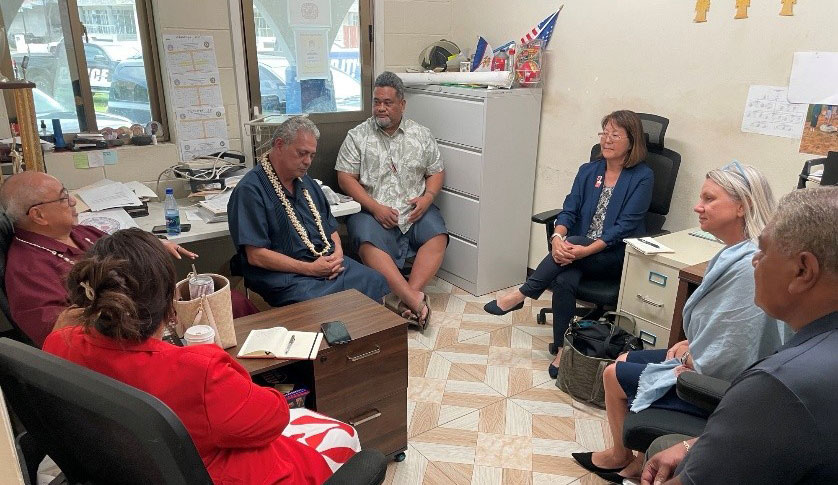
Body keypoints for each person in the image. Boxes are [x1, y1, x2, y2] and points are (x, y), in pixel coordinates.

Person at [44, 228, 361, 484]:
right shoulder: (198, 371)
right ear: (171, 303)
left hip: (126, 469)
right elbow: (273, 418)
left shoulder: (59, 344)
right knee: (342, 434)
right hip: (217, 473)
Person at [572, 162, 785, 482]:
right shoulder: (735, 251)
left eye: (709, 199)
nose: (698, 206)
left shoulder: (749, 267)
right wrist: (688, 344)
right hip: (707, 358)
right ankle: (636, 459)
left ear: (743, 206)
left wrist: (688, 355)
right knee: (626, 357)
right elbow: (723, 331)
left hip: (727, 384)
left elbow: (735, 352)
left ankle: (622, 456)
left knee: (615, 373)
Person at [641, 186, 838, 485]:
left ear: (802, 270)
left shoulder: (777, 386)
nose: (755, 261)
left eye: (764, 251)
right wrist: (689, 445)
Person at [0, 171, 257, 347]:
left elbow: (125, 250)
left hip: (151, 309)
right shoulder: (26, 267)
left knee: (233, 301)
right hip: (123, 333)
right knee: (216, 319)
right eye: (63, 196)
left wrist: (152, 245)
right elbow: (56, 333)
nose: (72, 201)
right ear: (38, 215)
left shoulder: (82, 233)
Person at [485, 110, 653, 377]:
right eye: (604, 133)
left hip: (613, 254)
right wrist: (557, 238)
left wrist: (582, 248)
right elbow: (569, 210)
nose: (606, 140)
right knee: (564, 280)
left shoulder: (642, 177)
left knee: (572, 247)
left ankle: (522, 294)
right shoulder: (589, 171)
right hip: (577, 251)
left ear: (632, 143)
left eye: (615, 135)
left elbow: (625, 227)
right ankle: (564, 350)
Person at [227, 116, 389, 307]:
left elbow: (331, 228)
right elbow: (256, 255)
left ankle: (367, 334)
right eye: (302, 153)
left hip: (327, 263)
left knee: (375, 280)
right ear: (279, 145)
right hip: (287, 276)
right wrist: (310, 269)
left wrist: (337, 253)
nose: (307, 161)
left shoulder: (307, 183)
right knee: (321, 306)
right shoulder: (250, 190)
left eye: (312, 155)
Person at [336, 71, 447, 328]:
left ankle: (407, 296)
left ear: (402, 105)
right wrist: (375, 208)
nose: (381, 108)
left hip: (414, 209)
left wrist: (428, 197)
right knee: (365, 240)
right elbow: (345, 178)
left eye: (387, 102)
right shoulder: (357, 136)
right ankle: (415, 301)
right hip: (372, 209)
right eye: (377, 102)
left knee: (438, 234)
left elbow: (436, 171)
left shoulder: (421, 134)